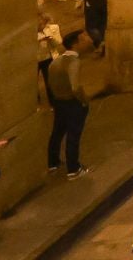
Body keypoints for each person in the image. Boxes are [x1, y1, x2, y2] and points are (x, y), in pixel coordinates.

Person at [46, 30, 89, 178]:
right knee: (73, 134)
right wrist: (83, 100)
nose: (88, 40)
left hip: (59, 101)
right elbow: (75, 86)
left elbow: (50, 83)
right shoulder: (74, 62)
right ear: (76, 43)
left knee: (57, 132)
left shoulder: (55, 62)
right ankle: (73, 168)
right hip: (72, 103)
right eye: (84, 38)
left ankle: (53, 162)